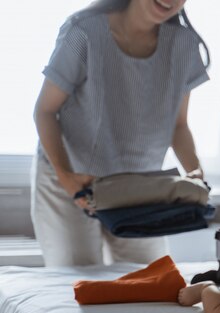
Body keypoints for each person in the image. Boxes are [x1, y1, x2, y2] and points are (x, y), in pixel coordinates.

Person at [32, 0, 209, 266]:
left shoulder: (184, 44)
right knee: (76, 280)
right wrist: (66, 177)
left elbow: (178, 125)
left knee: (150, 277)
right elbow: (45, 111)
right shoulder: (84, 32)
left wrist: (195, 172)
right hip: (71, 178)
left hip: (137, 187)